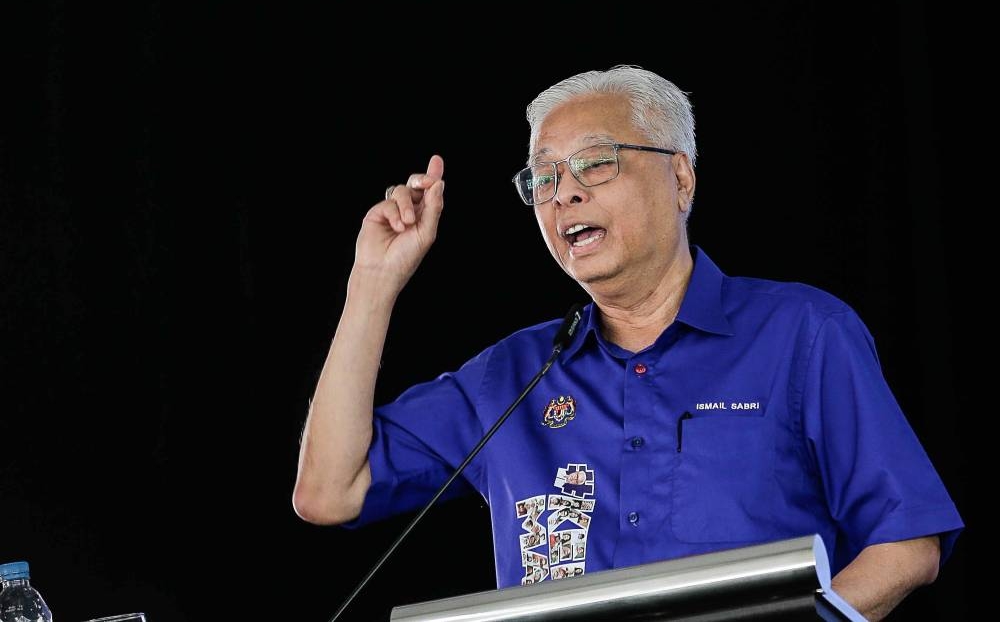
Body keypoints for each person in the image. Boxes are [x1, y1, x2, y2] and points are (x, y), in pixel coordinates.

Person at [293, 65, 963, 620]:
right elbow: (329, 492)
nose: (565, 196)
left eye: (595, 163)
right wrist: (372, 284)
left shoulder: (802, 333)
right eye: (545, 177)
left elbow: (907, 542)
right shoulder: (510, 376)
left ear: (680, 178)